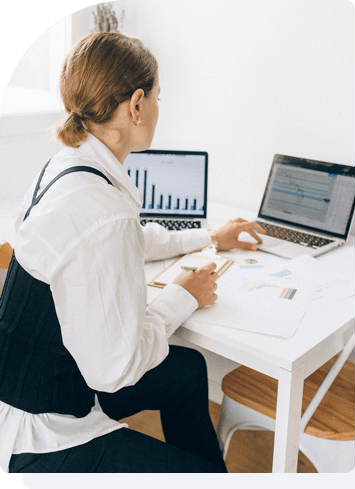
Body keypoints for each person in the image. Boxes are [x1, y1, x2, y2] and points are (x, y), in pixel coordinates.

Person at [0, 32, 265, 473]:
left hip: (39, 384)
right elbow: (115, 371)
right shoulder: (102, 209)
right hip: (40, 431)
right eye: (158, 97)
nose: (159, 108)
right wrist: (182, 295)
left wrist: (211, 237)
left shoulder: (68, 166)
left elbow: (132, 239)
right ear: (137, 105)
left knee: (186, 370)